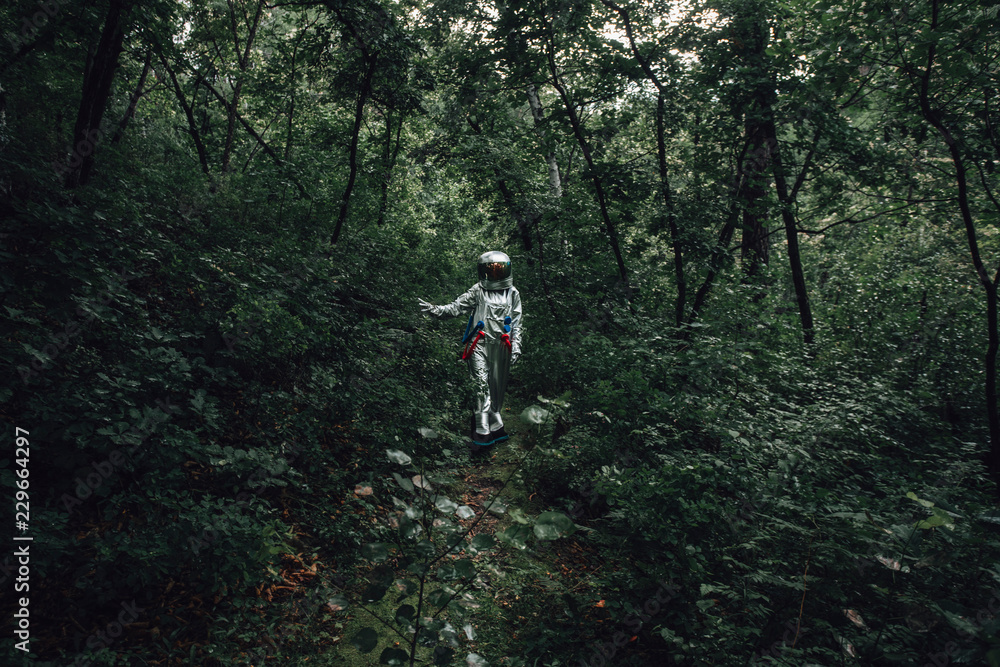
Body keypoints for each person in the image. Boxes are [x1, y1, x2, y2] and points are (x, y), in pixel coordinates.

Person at [419, 251, 523, 447]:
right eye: (490, 269)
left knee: (497, 384)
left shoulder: (513, 293)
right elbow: (456, 307)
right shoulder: (478, 290)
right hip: (480, 344)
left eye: (498, 269)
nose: (494, 273)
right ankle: (481, 427)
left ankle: (495, 422)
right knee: (481, 383)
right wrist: (435, 309)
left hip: (502, 345)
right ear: (483, 271)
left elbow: (517, 322)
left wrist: (516, 345)